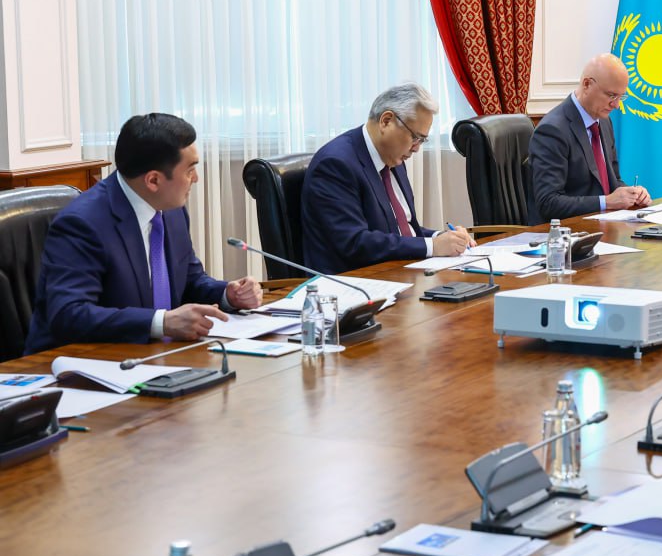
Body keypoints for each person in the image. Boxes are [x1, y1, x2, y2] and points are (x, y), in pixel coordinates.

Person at [26, 114, 262, 354]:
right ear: (153, 180)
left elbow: (189, 281)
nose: (196, 178)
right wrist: (161, 323)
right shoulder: (82, 224)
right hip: (77, 363)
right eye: (190, 170)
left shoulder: (171, 209)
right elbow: (69, 314)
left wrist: (228, 294)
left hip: (152, 357)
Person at [301, 84, 472, 275]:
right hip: (356, 281)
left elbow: (401, 229)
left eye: (422, 140)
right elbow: (354, 243)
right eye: (415, 137)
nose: (416, 148)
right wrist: (433, 246)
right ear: (386, 121)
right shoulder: (335, 164)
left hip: (399, 273)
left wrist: (442, 237)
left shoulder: (394, 158)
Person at [528, 53, 650, 222]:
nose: (616, 105)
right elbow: (548, 203)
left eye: (621, 97)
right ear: (587, 84)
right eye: (611, 95)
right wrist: (607, 202)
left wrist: (632, 194)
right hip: (568, 232)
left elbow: (613, 181)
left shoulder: (603, 121)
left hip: (605, 226)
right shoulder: (552, 131)